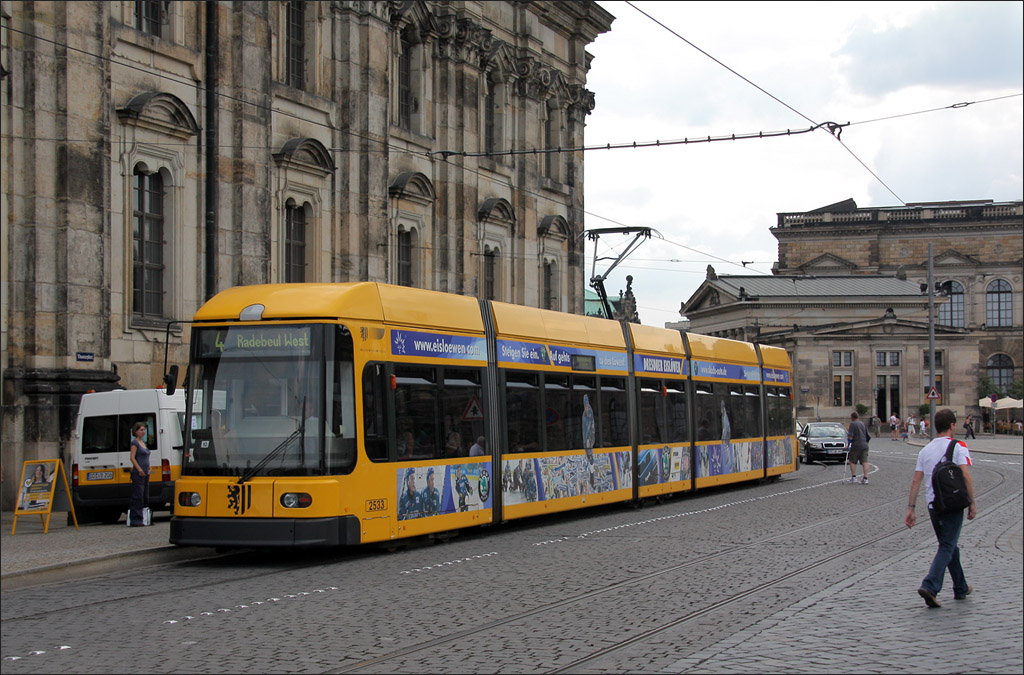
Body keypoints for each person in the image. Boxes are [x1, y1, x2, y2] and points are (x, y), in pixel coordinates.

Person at [904, 408, 976, 608]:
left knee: (949, 544)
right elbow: (966, 476)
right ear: (952, 425)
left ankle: (960, 587)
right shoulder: (958, 446)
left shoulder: (925, 450)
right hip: (953, 504)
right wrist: (972, 502)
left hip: (934, 506)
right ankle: (930, 585)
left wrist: (911, 508)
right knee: (947, 545)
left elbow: (915, 481)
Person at [128, 421, 151, 526]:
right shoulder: (135, 443)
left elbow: (146, 457)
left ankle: (145, 518)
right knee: (138, 495)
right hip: (138, 473)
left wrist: (149, 468)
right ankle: (136, 519)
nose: (143, 432)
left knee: (145, 495)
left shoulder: (143, 443)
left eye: (144, 430)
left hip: (146, 472)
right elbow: (132, 458)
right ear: (136, 431)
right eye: (141, 430)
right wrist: (139, 469)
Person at [846, 411, 871, 484]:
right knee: (865, 462)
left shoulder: (853, 424)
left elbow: (850, 436)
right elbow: (868, 436)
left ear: (852, 417)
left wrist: (848, 444)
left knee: (852, 461)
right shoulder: (863, 424)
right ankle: (865, 478)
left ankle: (854, 477)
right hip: (864, 445)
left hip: (856, 445)